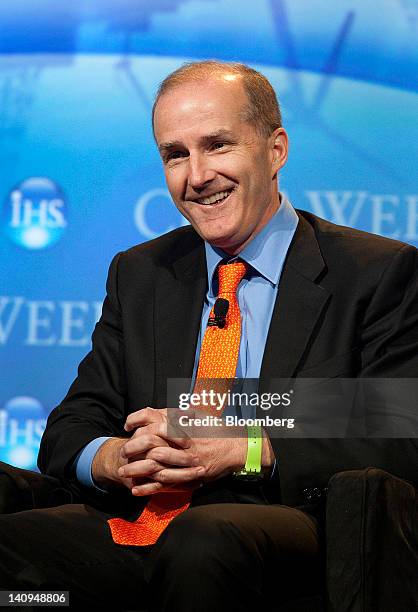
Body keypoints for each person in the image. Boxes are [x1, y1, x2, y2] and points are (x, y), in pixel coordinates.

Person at [0, 60, 416, 611]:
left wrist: (239, 446)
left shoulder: (375, 271)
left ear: (276, 150)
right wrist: (116, 457)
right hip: (140, 523)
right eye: (176, 155)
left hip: (285, 522)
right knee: (21, 569)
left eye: (217, 145)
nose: (197, 177)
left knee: (204, 542)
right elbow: (72, 426)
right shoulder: (141, 272)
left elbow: (396, 424)